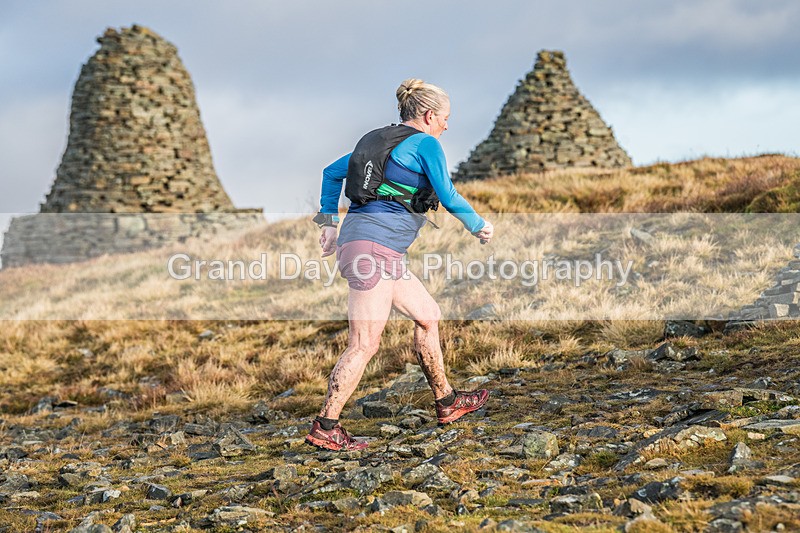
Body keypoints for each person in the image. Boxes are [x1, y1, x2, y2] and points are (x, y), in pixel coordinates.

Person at [306, 78, 495, 451]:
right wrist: (479, 225)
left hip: (378, 250)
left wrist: (329, 224)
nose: (446, 125)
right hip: (373, 250)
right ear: (428, 115)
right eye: (445, 117)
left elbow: (332, 172)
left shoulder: (378, 142)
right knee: (364, 343)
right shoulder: (426, 143)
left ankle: (447, 402)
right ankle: (327, 425)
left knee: (428, 315)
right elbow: (447, 193)